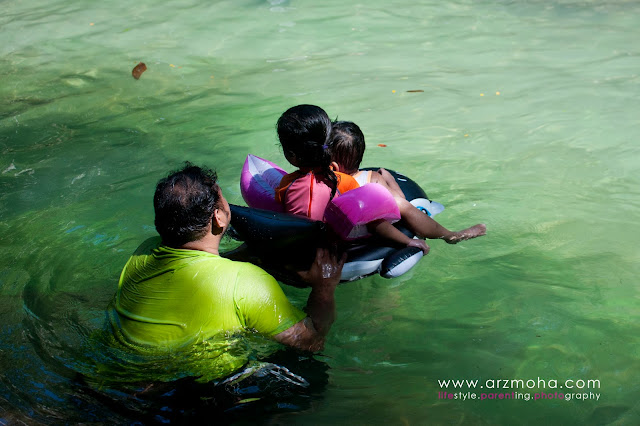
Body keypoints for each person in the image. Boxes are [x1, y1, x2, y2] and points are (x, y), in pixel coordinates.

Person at [110, 163, 345, 379]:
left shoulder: (144, 252)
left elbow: (195, 264)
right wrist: (324, 286)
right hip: (193, 397)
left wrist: (238, 256)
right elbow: (312, 341)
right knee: (313, 374)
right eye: (223, 200)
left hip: (120, 378)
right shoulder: (245, 280)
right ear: (218, 218)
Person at [274, 104, 429, 254]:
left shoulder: (286, 183)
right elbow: (374, 221)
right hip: (338, 246)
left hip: (302, 248)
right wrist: (408, 241)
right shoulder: (344, 181)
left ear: (291, 155)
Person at [329, 120, 487, 244]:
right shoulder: (372, 178)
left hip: (339, 232)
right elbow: (395, 207)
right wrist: (389, 178)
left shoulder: (324, 181)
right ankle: (450, 236)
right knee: (400, 204)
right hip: (363, 231)